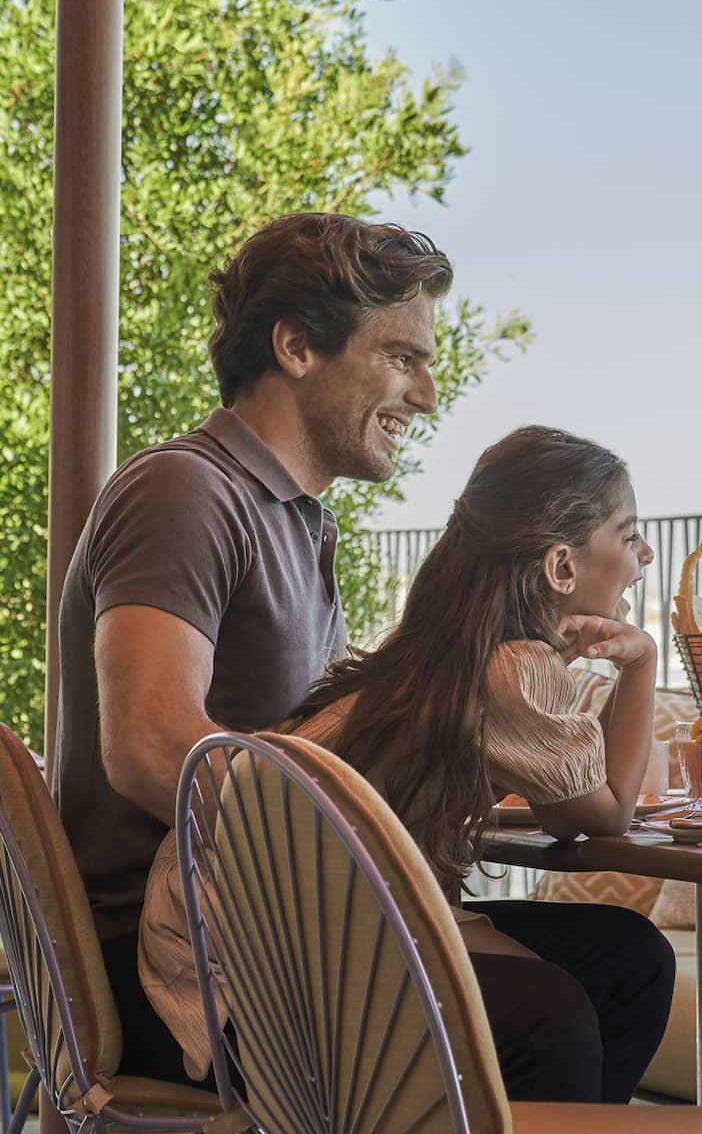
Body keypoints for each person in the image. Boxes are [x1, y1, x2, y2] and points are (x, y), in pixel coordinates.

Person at [139, 424, 675, 1134]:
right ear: (560, 568)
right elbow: (602, 815)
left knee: (627, 959)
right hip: (266, 984)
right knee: (556, 1017)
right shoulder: (512, 669)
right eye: (627, 532)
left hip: (262, 941)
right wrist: (643, 661)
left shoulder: (442, 662)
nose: (642, 554)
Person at [55, 212, 452, 1084]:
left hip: (242, 931)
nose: (426, 396)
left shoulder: (298, 521)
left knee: (620, 958)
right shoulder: (185, 491)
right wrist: (357, 863)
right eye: (401, 357)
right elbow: (151, 749)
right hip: (165, 963)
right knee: (558, 1016)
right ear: (297, 346)